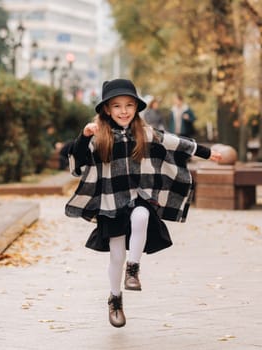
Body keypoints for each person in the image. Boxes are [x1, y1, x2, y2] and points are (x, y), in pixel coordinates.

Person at [64, 79, 221, 328]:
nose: (124, 111)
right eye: (117, 106)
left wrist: (206, 152)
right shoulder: (98, 136)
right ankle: (115, 298)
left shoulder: (144, 133)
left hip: (138, 197)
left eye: (129, 105)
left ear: (136, 107)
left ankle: (133, 269)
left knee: (142, 216)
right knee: (115, 256)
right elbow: (77, 162)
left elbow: (173, 141)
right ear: (106, 109)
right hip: (110, 202)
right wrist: (83, 137)